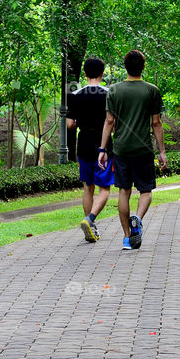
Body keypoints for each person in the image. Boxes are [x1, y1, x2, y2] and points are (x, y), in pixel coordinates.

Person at [98, 50, 167, 251]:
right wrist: (162, 151)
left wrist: (102, 149)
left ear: (125, 66)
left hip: (121, 149)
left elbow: (109, 121)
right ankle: (137, 217)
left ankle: (127, 238)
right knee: (145, 190)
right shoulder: (151, 90)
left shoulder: (114, 91)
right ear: (143, 67)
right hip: (144, 149)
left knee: (123, 190)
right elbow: (156, 123)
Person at [66, 58, 114, 243]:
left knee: (88, 187)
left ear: (84, 74)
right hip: (104, 144)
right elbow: (112, 121)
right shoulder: (109, 93)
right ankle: (89, 220)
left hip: (84, 143)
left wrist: (80, 123)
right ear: (102, 74)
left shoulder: (76, 94)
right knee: (105, 189)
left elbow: (70, 124)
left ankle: (91, 227)